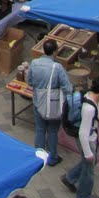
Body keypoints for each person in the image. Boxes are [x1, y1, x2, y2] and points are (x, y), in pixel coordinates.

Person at [61, 75, 99, 198]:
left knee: (91, 162)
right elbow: (83, 132)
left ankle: (70, 177)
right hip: (87, 139)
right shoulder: (89, 108)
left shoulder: (89, 96)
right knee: (89, 170)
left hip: (90, 137)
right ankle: (83, 197)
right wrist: (88, 152)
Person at [28, 39, 73, 167]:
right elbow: (67, 88)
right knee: (52, 131)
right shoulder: (57, 67)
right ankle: (52, 157)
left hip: (38, 101)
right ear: (55, 51)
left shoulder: (34, 63)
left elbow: (30, 81)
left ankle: (38, 157)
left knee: (40, 129)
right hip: (54, 104)